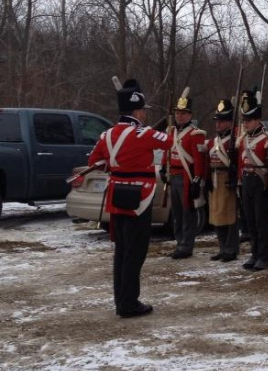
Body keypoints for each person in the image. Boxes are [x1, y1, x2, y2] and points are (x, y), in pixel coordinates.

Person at [88, 78, 173, 318]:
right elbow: (167, 142)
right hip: (139, 198)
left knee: (122, 252)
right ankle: (129, 303)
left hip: (116, 196)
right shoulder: (143, 133)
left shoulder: (106, 135)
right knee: (135, 253)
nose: (144, 115)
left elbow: (94, 161)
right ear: (136, 111)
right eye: (142, 111)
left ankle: (121, 300)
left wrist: (113, 165)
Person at [161, 90, 207, 259]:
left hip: (187, 177)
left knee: (188, 213)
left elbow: (199, 160)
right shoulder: (171, 131)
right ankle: (179, 242)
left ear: (190, 115)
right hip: (173, 175)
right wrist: (163, 169)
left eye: (183, 113)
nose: (179, 116)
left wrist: (197, 179)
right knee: (177, 214)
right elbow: (167, 152)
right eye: (177, 113)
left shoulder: (196, 134)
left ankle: (187, 246)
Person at [237, 91, 268, 271]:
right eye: (244, 120)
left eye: (249, 120)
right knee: (250, 220)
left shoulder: (266, 139)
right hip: (247, 180)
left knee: (261, 220)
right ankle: (254, 252)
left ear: (257, 120)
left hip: (260, 181)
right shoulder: (244, 139)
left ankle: (264, 256)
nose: (246, 123)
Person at [206, 99, 239, 262]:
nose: (218, 125)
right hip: (214, 178)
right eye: (217, 121)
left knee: (230, 216)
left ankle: (231, 249)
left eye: (222, 121)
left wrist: (235, 178)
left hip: (227, 178)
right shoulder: (213, 142)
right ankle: (222, 247)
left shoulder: (234, 140)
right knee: (217, 215)